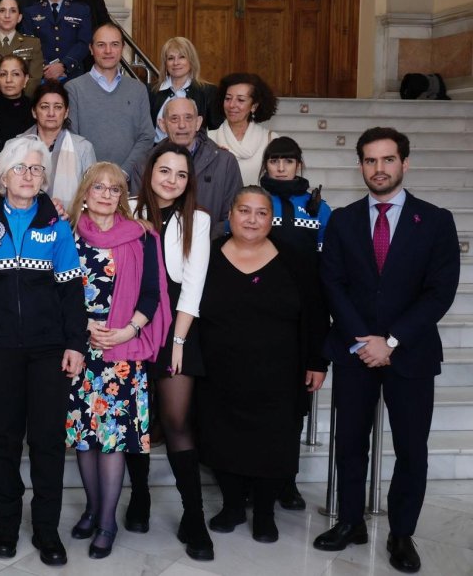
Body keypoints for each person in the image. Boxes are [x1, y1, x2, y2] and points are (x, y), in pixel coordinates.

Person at [313, 128, 459, 574]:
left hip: (410, 353)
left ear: (404, 163)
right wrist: (362, 340)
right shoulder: (343, 219)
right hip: (355, 351)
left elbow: (440, 292)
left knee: (412, 448)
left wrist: (391, 340)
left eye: (388, 160)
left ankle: (401, 534)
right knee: (350, 442)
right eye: (370, 161)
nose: (379, 168)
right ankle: (351, 522)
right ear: (360, 165)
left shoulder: (435, 220)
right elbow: (332, 283)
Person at [0, 135, 86, 565]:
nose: (29, 177)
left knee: (47, 441)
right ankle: (7, 524)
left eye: (36, 169)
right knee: (3, 441)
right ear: (3, 176)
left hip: (49, 351)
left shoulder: (56, 225)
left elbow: (71, 293)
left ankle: (47, 531)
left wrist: (76, 345)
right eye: (20, 169)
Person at [197, 187, 328, 543]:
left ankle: (266, 512)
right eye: (244, 210)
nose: (252, 219)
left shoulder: (295, 258)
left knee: (274, 443)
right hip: (219, 372)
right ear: (230, 214)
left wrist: (318, 361)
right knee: (222, 438)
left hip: (280, 374)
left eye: (261, 213)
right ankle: (233, 506)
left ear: (272, 220)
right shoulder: (207, 255)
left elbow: (317, 312)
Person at [66, 161, 170, 560]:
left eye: (114, 188)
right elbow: (61, 289)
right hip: (80, 348)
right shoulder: (69, 234)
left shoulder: (142, 236)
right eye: (99, 188)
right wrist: (85, 325)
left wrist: (130, 329)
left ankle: (107, 521)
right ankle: (92, 509)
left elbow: (152, 292)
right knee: (84, 437)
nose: (106, 194)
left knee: (111, 440)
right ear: (86, 193)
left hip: (123, 352)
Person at [124, 140, 214, 561]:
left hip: (178, 323)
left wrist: (177, 341)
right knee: (136, 417)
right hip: (130, 323)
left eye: (181, 174)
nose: (172, 180)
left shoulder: (197, 219)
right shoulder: (126, 208)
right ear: (150, 170)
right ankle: (139, 496)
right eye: (165, 171)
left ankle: (192, 514)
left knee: (176, 419)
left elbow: (192, 287)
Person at [258, 136, 332, 511]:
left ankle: (287, 480)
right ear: (266, 164)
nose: (281, 167)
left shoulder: (319, 208)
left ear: (299, 164)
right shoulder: (257, 202)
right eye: (275, 160)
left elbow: (327, 273)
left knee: (292, 408)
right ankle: (249, 479)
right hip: (258, 316)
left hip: (303, 320)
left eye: (288, 160)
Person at [65, 23, 153, 189]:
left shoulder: (138, 89)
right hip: (86, 185)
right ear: (91, 49)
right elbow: (71, 139)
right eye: (101, 45)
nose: (108, 51)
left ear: (122, 48)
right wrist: (95, 177)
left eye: (114, 44)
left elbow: (146, 136)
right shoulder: (73, 89)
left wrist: (123, 172)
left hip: (130, 185)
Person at [143, 97, 242, 239]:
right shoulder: (146, 162)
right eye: (174, 119)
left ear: (198, 122)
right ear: (162, 124)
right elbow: (139, 211)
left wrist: (205, 242)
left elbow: (234, 214)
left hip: (211, 249)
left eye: (188, 118)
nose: (182, 125)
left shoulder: (225, 162)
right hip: (158, 248)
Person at [15, 82, 95, 209]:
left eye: (58, 107)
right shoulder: (16, 146)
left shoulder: (83, 148)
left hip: (70, 224)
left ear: (66, 112)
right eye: (44, 107)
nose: (51, 113)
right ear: (34, 112)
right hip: (23, 223)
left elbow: (93, 196)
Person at [211, 72, 279, 185]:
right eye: (228, 98)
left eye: (240, 100)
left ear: (254, 106)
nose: (232, 105)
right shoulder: (208, 139)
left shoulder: (270, 139)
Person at [149, 36, 221, 137]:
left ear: (191, 61)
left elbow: (217, 132)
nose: (176, 63)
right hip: (158, 151)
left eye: (182, 57)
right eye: (170, 58)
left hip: (194, 152)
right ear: (165, 64)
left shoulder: (209, 92)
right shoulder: (150, 91)